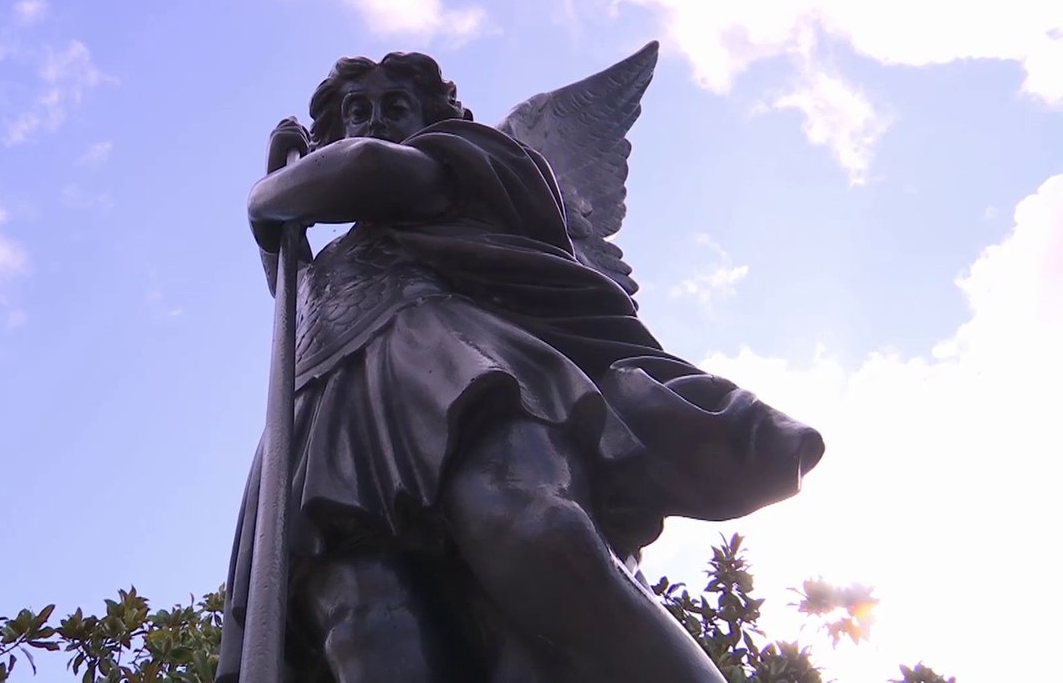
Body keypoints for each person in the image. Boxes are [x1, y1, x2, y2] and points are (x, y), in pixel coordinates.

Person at [216, 52, 824, 683]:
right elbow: (300, 297)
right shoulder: (342, 246)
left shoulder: (461, 166)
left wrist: (266, 197)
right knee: (365, 624)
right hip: (325, 413)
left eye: (394, 107)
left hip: (450, 367)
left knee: (526, 528)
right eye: (355, 113)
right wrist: (275, 220)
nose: (373, 124)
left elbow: (361, 170)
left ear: (431, 117)